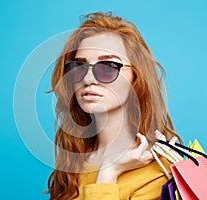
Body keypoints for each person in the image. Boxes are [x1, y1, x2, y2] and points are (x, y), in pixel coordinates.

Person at [47, 12, 181, 200]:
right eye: (79, 67)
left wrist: (108, 173)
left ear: (136, 76)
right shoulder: (74, 162)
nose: (88, 79)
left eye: (108, 66)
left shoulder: (158, 172)